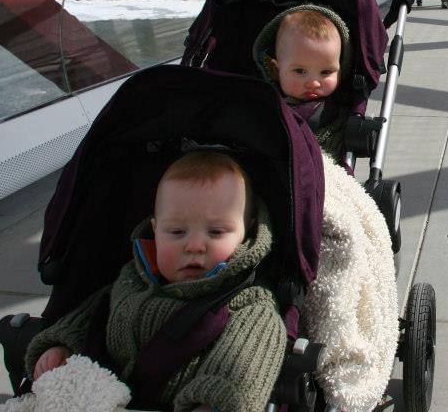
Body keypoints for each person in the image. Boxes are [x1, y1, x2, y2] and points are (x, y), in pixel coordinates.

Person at [27, 151, 288, 412]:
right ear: (156, 230)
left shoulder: (250, 303)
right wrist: (62, 345)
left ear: (247, 233)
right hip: (100, 398)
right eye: (177, 232)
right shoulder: (132, 280)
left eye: (216, 232)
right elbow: (92, 317)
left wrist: (215, 402)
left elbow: (245, 360)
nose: (194, 245)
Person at [253, 5, 350, 158]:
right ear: (276, 70)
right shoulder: (266, 102)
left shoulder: (341, 106)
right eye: (300, 71)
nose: (313, 83)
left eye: (325, 72)